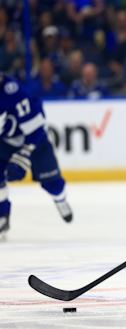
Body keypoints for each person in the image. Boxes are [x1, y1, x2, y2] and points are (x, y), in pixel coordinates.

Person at [0, 73, 73, 239]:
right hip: (4, 141)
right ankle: (2, 216)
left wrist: (23, 155)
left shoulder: (14, 94)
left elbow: (36, 129)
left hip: (33, 140)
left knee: (53, 183)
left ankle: (60, 199)